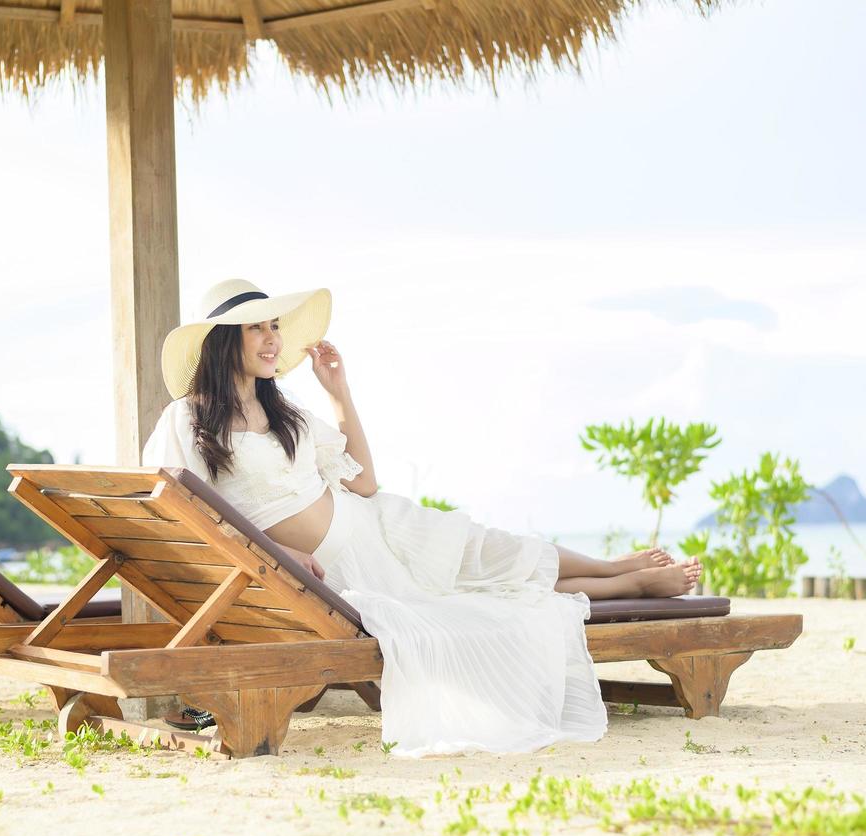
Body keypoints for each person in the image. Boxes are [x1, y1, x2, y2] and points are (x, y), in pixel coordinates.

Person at [142, 279, 702, 757]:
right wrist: (271, 557)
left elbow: (363, 482)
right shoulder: (187, 420)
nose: (273, 338)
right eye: (256, 328)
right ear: (223, 342)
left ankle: (613, 568)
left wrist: (339, 391)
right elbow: (184, 512)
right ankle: (627, 580)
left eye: (274, 326)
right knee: (481, 600)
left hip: (380, 527)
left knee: (490, 554)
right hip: (338, 573)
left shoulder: (285, 414)